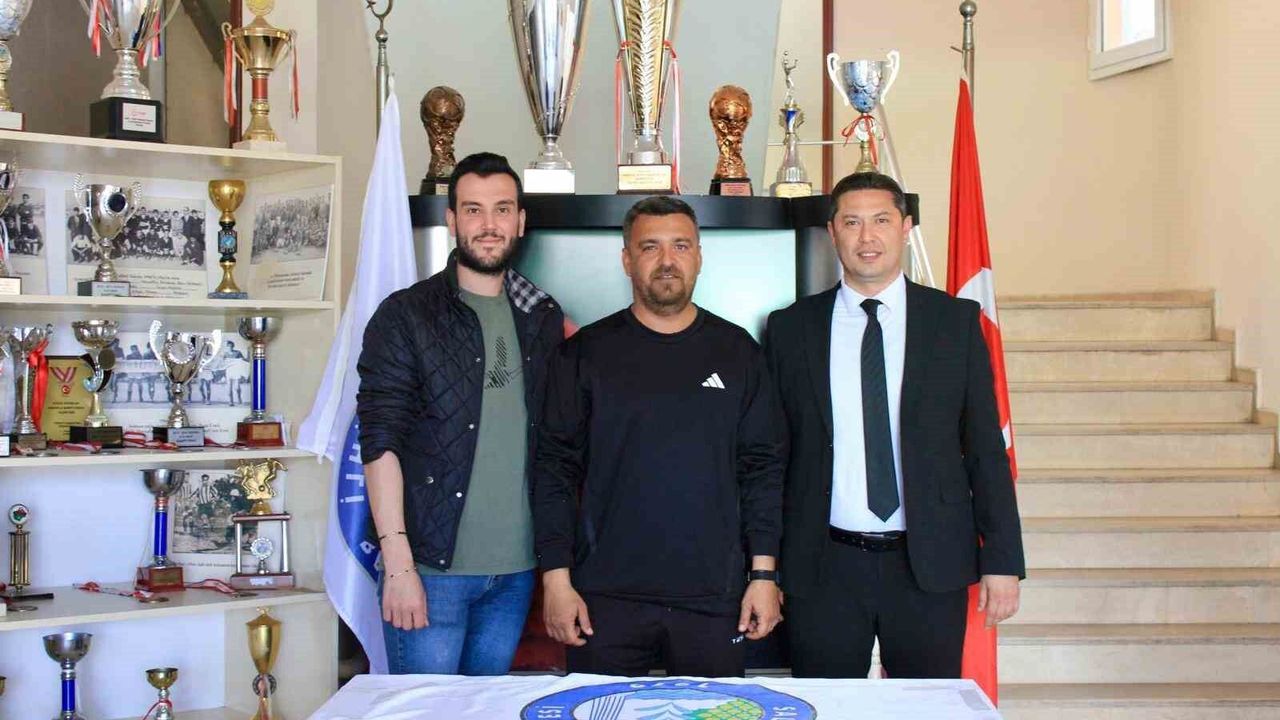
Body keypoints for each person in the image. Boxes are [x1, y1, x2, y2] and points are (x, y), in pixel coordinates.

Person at [764, 172, 1025, 679]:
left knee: (925, 707)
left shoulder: (954, 323)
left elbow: (985, 450)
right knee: (828, 708)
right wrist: (765, 569)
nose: (867, 237)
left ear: (905, 228)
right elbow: (773, 456)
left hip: (928, 562)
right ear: (832, 232)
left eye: (881, 220)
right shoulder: (792, 328)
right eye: (852, 222)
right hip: (823, 565)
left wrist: (1002, 560)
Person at [533, 196, 785, 678]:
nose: (667, 260)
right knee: (599, 711)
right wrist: (556, 580)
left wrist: (764, 575)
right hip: (604, 598)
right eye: (650, 247)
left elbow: (763, 469)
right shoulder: (584, 354)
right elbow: (554, 470)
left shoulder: (738, 352)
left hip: (715, 598)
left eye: (681, 246)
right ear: (627, 260)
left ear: (699, 257)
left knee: (716, 713)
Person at [357, 152, 564, 675]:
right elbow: (379, 441)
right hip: (429, 572)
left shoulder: (541, 315)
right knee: (427, 711)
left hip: (515, 574)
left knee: (484, 711)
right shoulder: (406, 315)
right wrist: (398, 564)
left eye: (502, 209)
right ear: (452, 220)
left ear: (520, 220)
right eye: (473, 210)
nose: (489, 225)